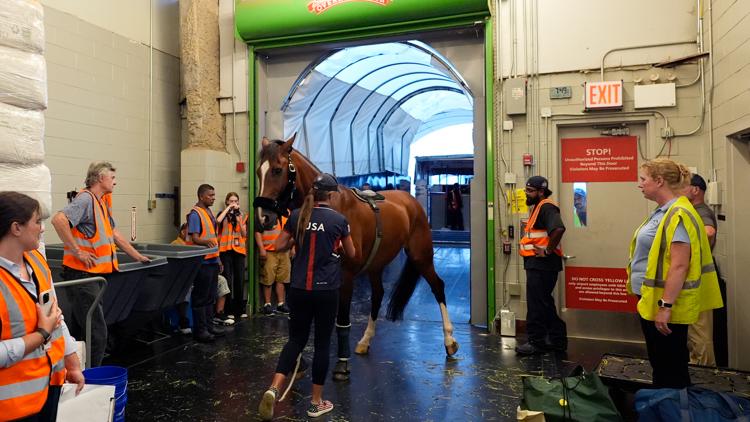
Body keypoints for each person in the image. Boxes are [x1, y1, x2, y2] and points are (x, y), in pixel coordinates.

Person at [258, 173, 356, 420]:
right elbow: (352, 253)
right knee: (322, 344)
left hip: (299, 289)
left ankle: (273, 388)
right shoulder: (339, 220)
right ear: (332, 195)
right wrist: (338, 247)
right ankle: (315, 402)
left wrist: (296, 242)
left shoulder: (296, 216)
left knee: (295, 341)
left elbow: (278, 245)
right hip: (326, 291)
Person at [626, 159, 722, 388]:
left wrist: (665, 307)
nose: (640, 185)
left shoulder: (677, 213)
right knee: (662, 364)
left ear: (659, 181)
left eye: (644, 179)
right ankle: (666, 406)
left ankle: (670, 409)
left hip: (665, 302)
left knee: (669, 367)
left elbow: (679, 265)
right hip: (653, 298)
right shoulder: (664, 211)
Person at [51, 161, 151, 367]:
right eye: (112, 178)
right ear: (99, 178)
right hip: (82, 275)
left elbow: (114, 234)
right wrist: (78, 252)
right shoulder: (86, 200)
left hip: (93, 276)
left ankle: (81, 371)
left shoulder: (101, 202)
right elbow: (59, 220)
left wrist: (136, 255)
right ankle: (91, 379)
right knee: (96, 332)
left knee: (87, 328)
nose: (116, 182)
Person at [0, 191, 85, 421]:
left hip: (50, 387)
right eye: (37, 221)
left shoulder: (36, 261)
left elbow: (56, 316)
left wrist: (72, 362)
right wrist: (41, 334)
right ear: (16, 228)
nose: (42, 228)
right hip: (12, 408)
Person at [515, 176, 567, 355]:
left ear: (541, 192)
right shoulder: (538, 207)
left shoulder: (546, 207)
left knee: (537, 305)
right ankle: (557, 340)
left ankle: (536, 342)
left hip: (542, 265)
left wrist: (547, 251)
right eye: (526, 190)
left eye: (530, 191)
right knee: (544, 304)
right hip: (538, 265)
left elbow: (558, 229)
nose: (526, 194)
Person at [683, 174, 718, 366]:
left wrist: (681, 239)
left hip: (700, 282)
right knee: (694, 337)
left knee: (701, 337)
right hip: (693, 280)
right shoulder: (692, 210)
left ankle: (705, 383)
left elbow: (709, 231)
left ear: (695, 190)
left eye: (684, 186)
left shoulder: (701, 210)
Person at [184, 184, 225, 343]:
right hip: (202, 263)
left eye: (214, 195)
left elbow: (213, 238)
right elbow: (195, 238)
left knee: (210, 296)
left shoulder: (208, 212)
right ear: (201, 196)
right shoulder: (195, 214)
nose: (213, 198)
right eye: (210, 195)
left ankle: (209, 326)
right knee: (201, 297)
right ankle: (200, 331)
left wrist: (218, 258)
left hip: (212, 260)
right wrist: (206, 241)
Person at [216, 192, 248, 322]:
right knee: (227, 280)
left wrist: (239, 218)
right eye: (231, 201)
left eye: (236, 201)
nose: (234, 203)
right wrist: (228, 209)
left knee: (239, 280)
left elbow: (244, 232)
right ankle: (228, 309)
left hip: (238, 251)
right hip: (225, 250)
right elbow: (217, 221)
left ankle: (239, 310)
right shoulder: (222, 215)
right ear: (227, 202)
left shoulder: (242, 215)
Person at [254, 212, 291, 315]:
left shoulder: (287, 213)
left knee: (282, 279)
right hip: (269, 251)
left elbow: (292, 231)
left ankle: (280, 304)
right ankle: (267, 304)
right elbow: (257, 232)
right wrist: (261, 249)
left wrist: (292, 247)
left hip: (284, 251)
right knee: (268, 278)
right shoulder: (264, 213)